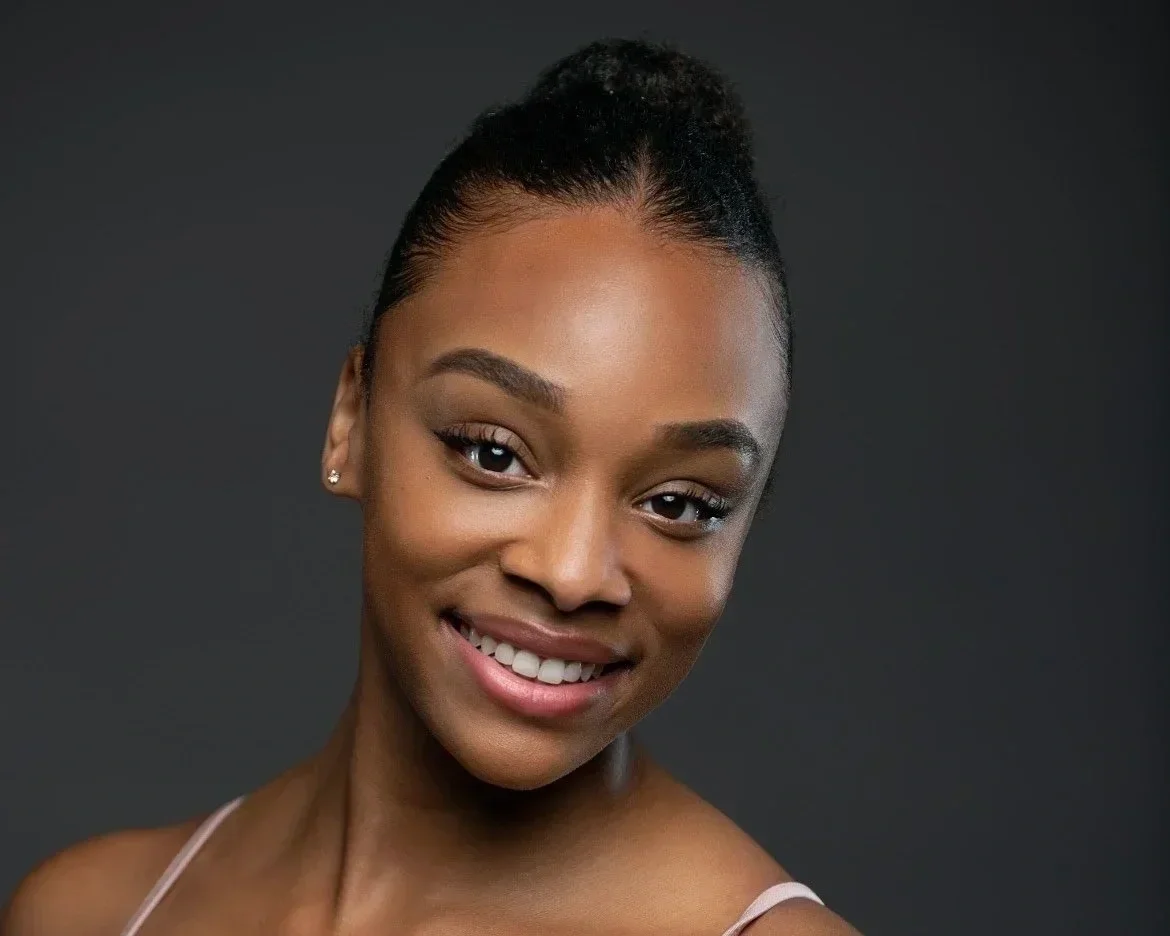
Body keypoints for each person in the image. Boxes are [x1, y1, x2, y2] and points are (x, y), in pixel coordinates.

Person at [2, 38, 861, 936]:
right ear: (352, 420)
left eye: (680, 504)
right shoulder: (88, 913)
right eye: (493, 452)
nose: (572, 575)